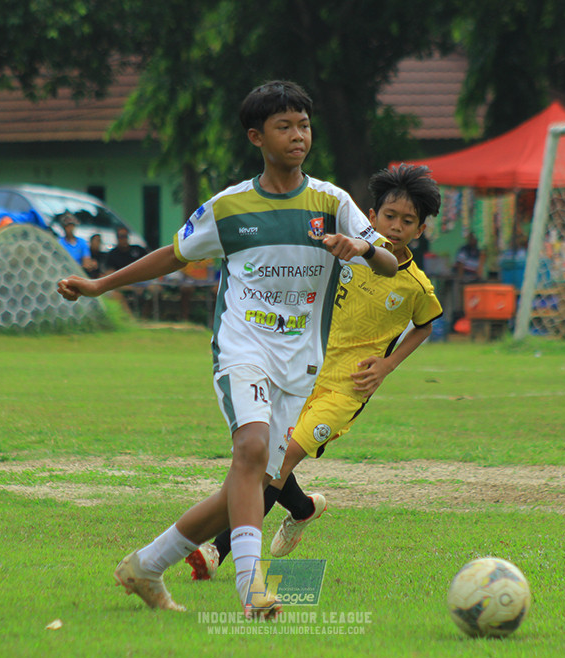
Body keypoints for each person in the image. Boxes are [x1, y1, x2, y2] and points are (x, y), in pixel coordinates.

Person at [56, 80, 397, 618]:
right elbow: (172, 255)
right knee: (252, 452)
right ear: (256, 137)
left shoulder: (333, 203)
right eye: (284, 126)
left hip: (300, 361)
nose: (297, 135)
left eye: (304, 124)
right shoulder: (230, 207)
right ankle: (250, 587)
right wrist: (101, 285)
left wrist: (360, 245)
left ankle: (144, 565)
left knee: (249, 482)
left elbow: (388, 261)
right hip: (243, 347)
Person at [185, 163, 443, 579]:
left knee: (279, 461)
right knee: (269, 458)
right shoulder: (345, 257)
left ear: (420, 229)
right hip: (303, 370)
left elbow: (427, 324)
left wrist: (388, 365)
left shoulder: (415, 286)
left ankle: (216, 553)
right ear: (370, 217)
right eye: (389, 217)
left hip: (347, 389)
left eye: (407, 221)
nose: (395, 227)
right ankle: (303, 509)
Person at [452, 230, 483, 321]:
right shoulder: (464, 250)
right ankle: (460, 317)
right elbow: (460, 266)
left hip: (473, 280)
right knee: (461, 301)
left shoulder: (478, 251)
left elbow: (480, 268)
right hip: (464, 279)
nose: (473, 240)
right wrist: (461, 279)